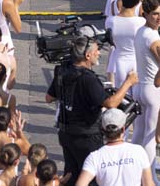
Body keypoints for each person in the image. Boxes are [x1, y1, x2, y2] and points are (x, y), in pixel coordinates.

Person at [46, 36, 137, 184]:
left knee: (71, 176)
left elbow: (49, 97)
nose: (99, 53)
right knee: (93, 178)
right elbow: (111, 103)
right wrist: (128, 82)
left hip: (66, 133)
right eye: (97, 50)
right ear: (87, 55)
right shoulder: (88, 79)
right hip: (87, 137)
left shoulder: (62, 70)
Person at [74, 109, 155, 186]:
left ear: (102, 130)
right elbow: (148, 184)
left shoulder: (94, 157)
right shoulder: (138, 151)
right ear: (123, 129)